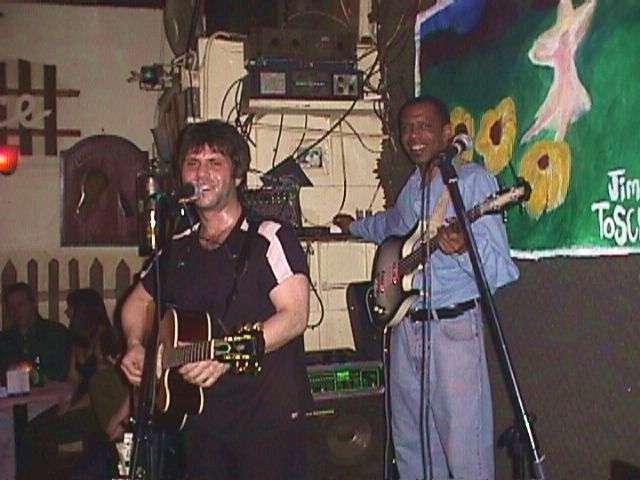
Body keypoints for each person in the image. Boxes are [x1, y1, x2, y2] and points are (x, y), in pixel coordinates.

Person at [333, 95, 520, 480]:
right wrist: (354, 226)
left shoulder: (472, 183)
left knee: (465, 452)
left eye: (425, 126)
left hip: (452, 331)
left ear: (448, 133)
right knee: (411, 446)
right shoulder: (412, 188)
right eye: (408, 128)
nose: (414, 135)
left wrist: (464, 249)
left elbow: (501, 271)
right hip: (406, 330)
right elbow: (390, 227)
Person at [120, 119, 311, 480]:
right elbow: (136, 303)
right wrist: (134, 345)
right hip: (200, 423)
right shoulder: (178, 247)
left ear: (238, 175)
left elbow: (295, 316)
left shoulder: (268, 238)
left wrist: (224, 354)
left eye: (214, 163)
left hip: (266, 424)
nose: (202, 173)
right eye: (193, 163)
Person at [19, 288, 123, 479]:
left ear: (83, 311)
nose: (67, 312)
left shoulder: (104, 338)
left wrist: (71, 407)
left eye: (70, 308)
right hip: (79, 400)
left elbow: (100, 388)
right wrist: (64, 402)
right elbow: (74, 378)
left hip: (95, 408)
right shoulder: (78, 339)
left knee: (47, 435)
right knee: (32, 429)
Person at [0, 282, 71, 382]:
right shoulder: (4, 339)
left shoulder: (56, 334)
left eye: (20, 305)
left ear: (33, 303)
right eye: (11, 307)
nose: (16, 311)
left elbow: (63, 373)